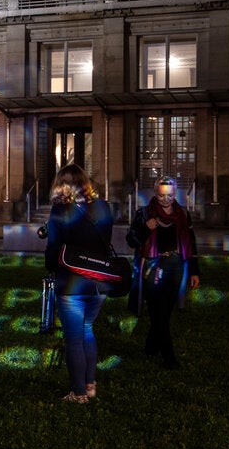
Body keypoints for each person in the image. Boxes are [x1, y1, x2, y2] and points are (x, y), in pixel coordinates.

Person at [44, 164, 113, 403]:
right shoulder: (103, 207)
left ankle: (78, 392)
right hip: (99, 282)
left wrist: (51, 266)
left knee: (73, 337)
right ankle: (90, 383)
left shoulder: (60, 211)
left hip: (71, 284)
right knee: (87, 330)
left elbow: (52, 249)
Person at [126, 175, 200, 369]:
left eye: (170, 195)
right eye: (161, 196)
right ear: (155, 193)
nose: (166, 199)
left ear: (176, 194)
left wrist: (194, 271)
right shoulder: (143, 213)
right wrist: (145, 228)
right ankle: (169, 357)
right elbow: (131, 241)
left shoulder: (182, 214)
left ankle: (151, 346)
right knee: (157, 310)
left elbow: (191, 242)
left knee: (166, 310)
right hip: (153, 265)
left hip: (176, 264)